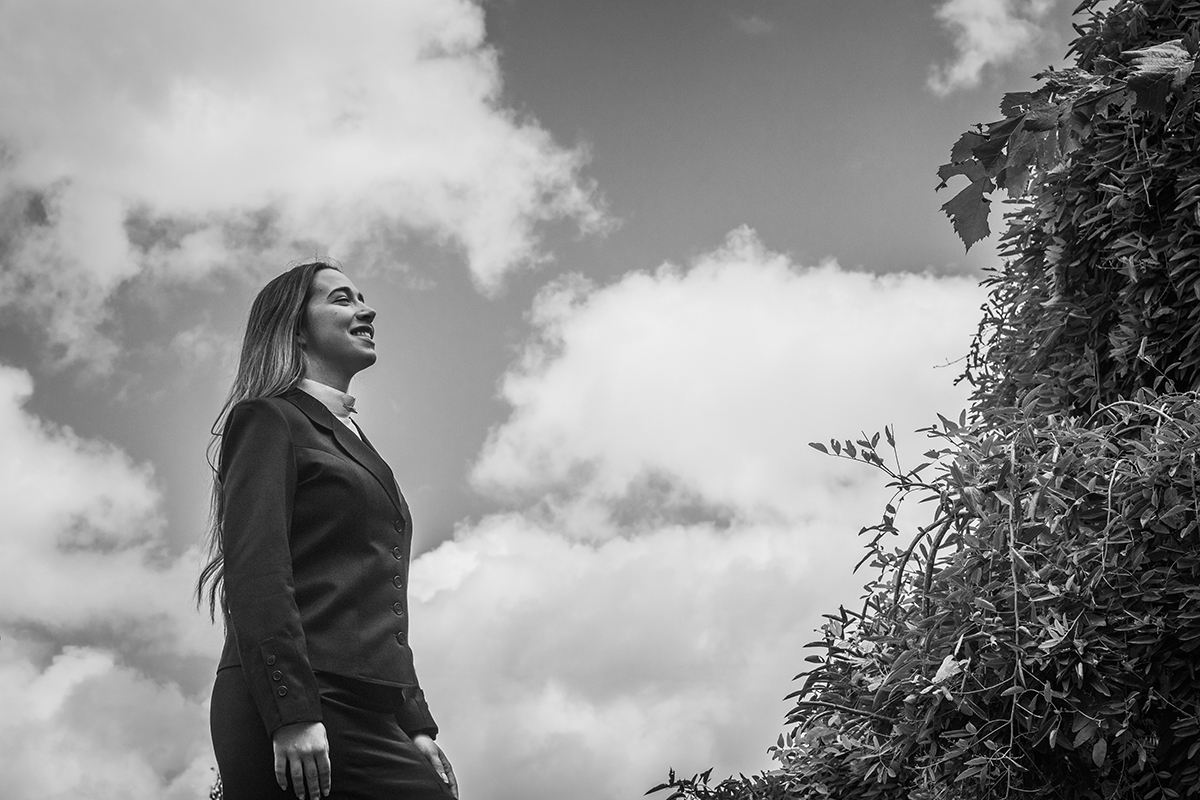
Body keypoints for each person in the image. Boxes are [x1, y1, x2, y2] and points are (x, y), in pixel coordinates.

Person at [197, 261, 458, 800]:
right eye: (342, 299)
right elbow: (257, 571)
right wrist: (292, 712)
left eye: (362, 297)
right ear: (295, 328)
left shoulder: (352, 438)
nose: (367, 310)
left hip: (366, 706)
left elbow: (375, 597)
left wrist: (414, 722)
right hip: (302, 702)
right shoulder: (268, 419)